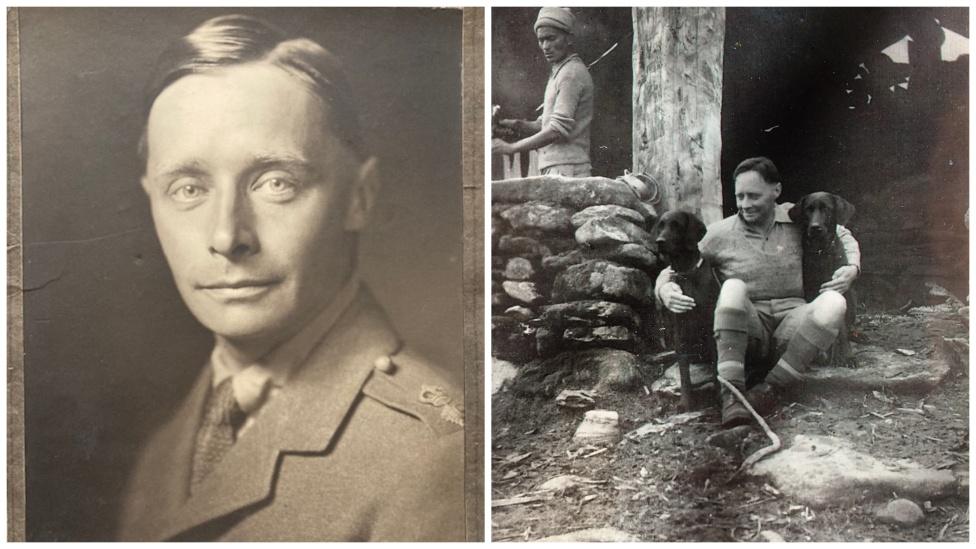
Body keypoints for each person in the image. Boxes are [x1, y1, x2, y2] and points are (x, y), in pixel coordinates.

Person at [116, 14, 464, 541]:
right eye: (188, 188)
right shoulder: (163, 454)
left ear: (359, 196)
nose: (227, 236)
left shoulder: (437, 455)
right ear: (151, 199)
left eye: (275, 182)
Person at [656, 157, 860, 429]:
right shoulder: (720, 233)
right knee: (732, 286)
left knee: (834, 302)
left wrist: (853, 268)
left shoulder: (796, 218)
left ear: (776, 191)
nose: (745, 204)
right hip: (747, 331)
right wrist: (665, 288)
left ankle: (770, 390)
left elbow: (843, 234)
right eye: (739, 196)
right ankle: (732, 393)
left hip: (792, 328)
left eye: (753, 196)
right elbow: (679, 260)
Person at [491, 7, 594, 177]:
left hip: (568, 170)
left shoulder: (571, 73)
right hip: (558, 168)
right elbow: (545, 125)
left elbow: (557, 130)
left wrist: (511, 148)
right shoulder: (560, 72)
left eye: (551, 38)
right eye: (541, 40)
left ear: (569, 38)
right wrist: (511, 125)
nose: (545, 46)